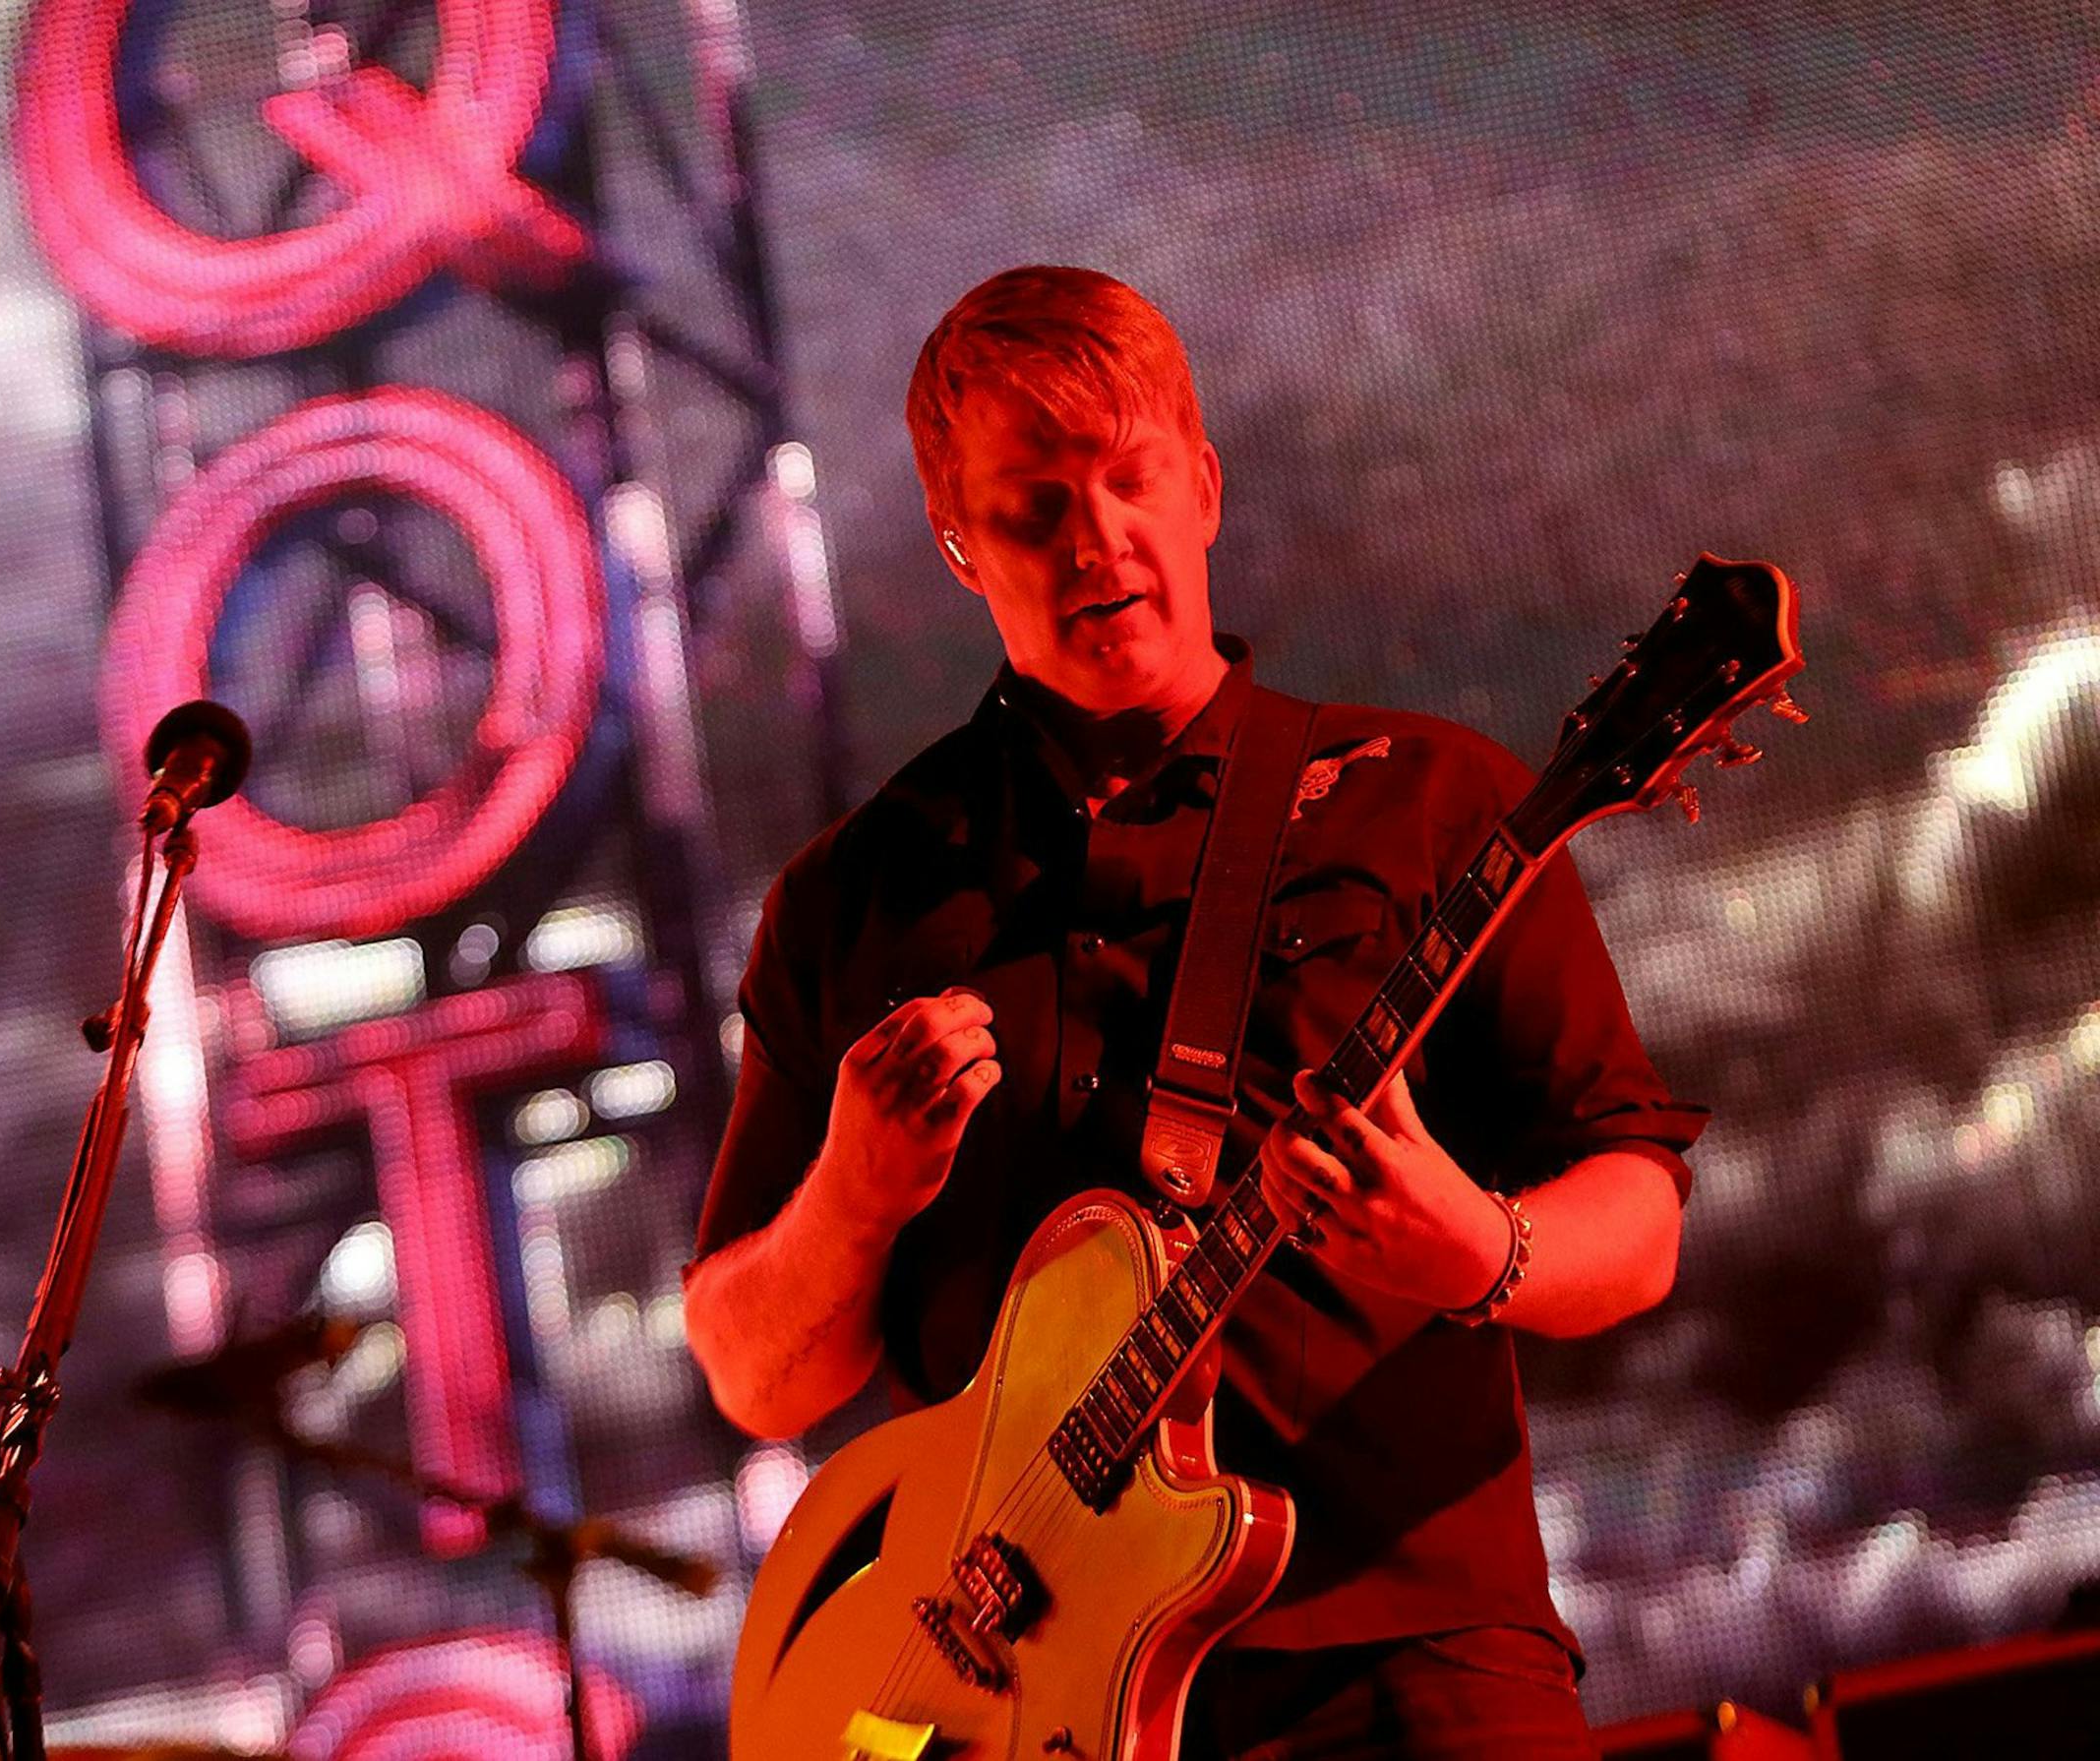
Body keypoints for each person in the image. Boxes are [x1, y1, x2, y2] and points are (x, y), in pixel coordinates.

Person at [684, 265, 1707, 1759]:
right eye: (1033, 505)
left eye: (1129, 478)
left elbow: (1643, 1210)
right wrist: (851, 1192)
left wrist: (1480, 1249)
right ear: (961, 546)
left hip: (1407, 1661)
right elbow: (757, 1376)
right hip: (1020, 1708)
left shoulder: (1437, 803)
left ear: (1204, 487)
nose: (1097, 539)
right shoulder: (853, 900)